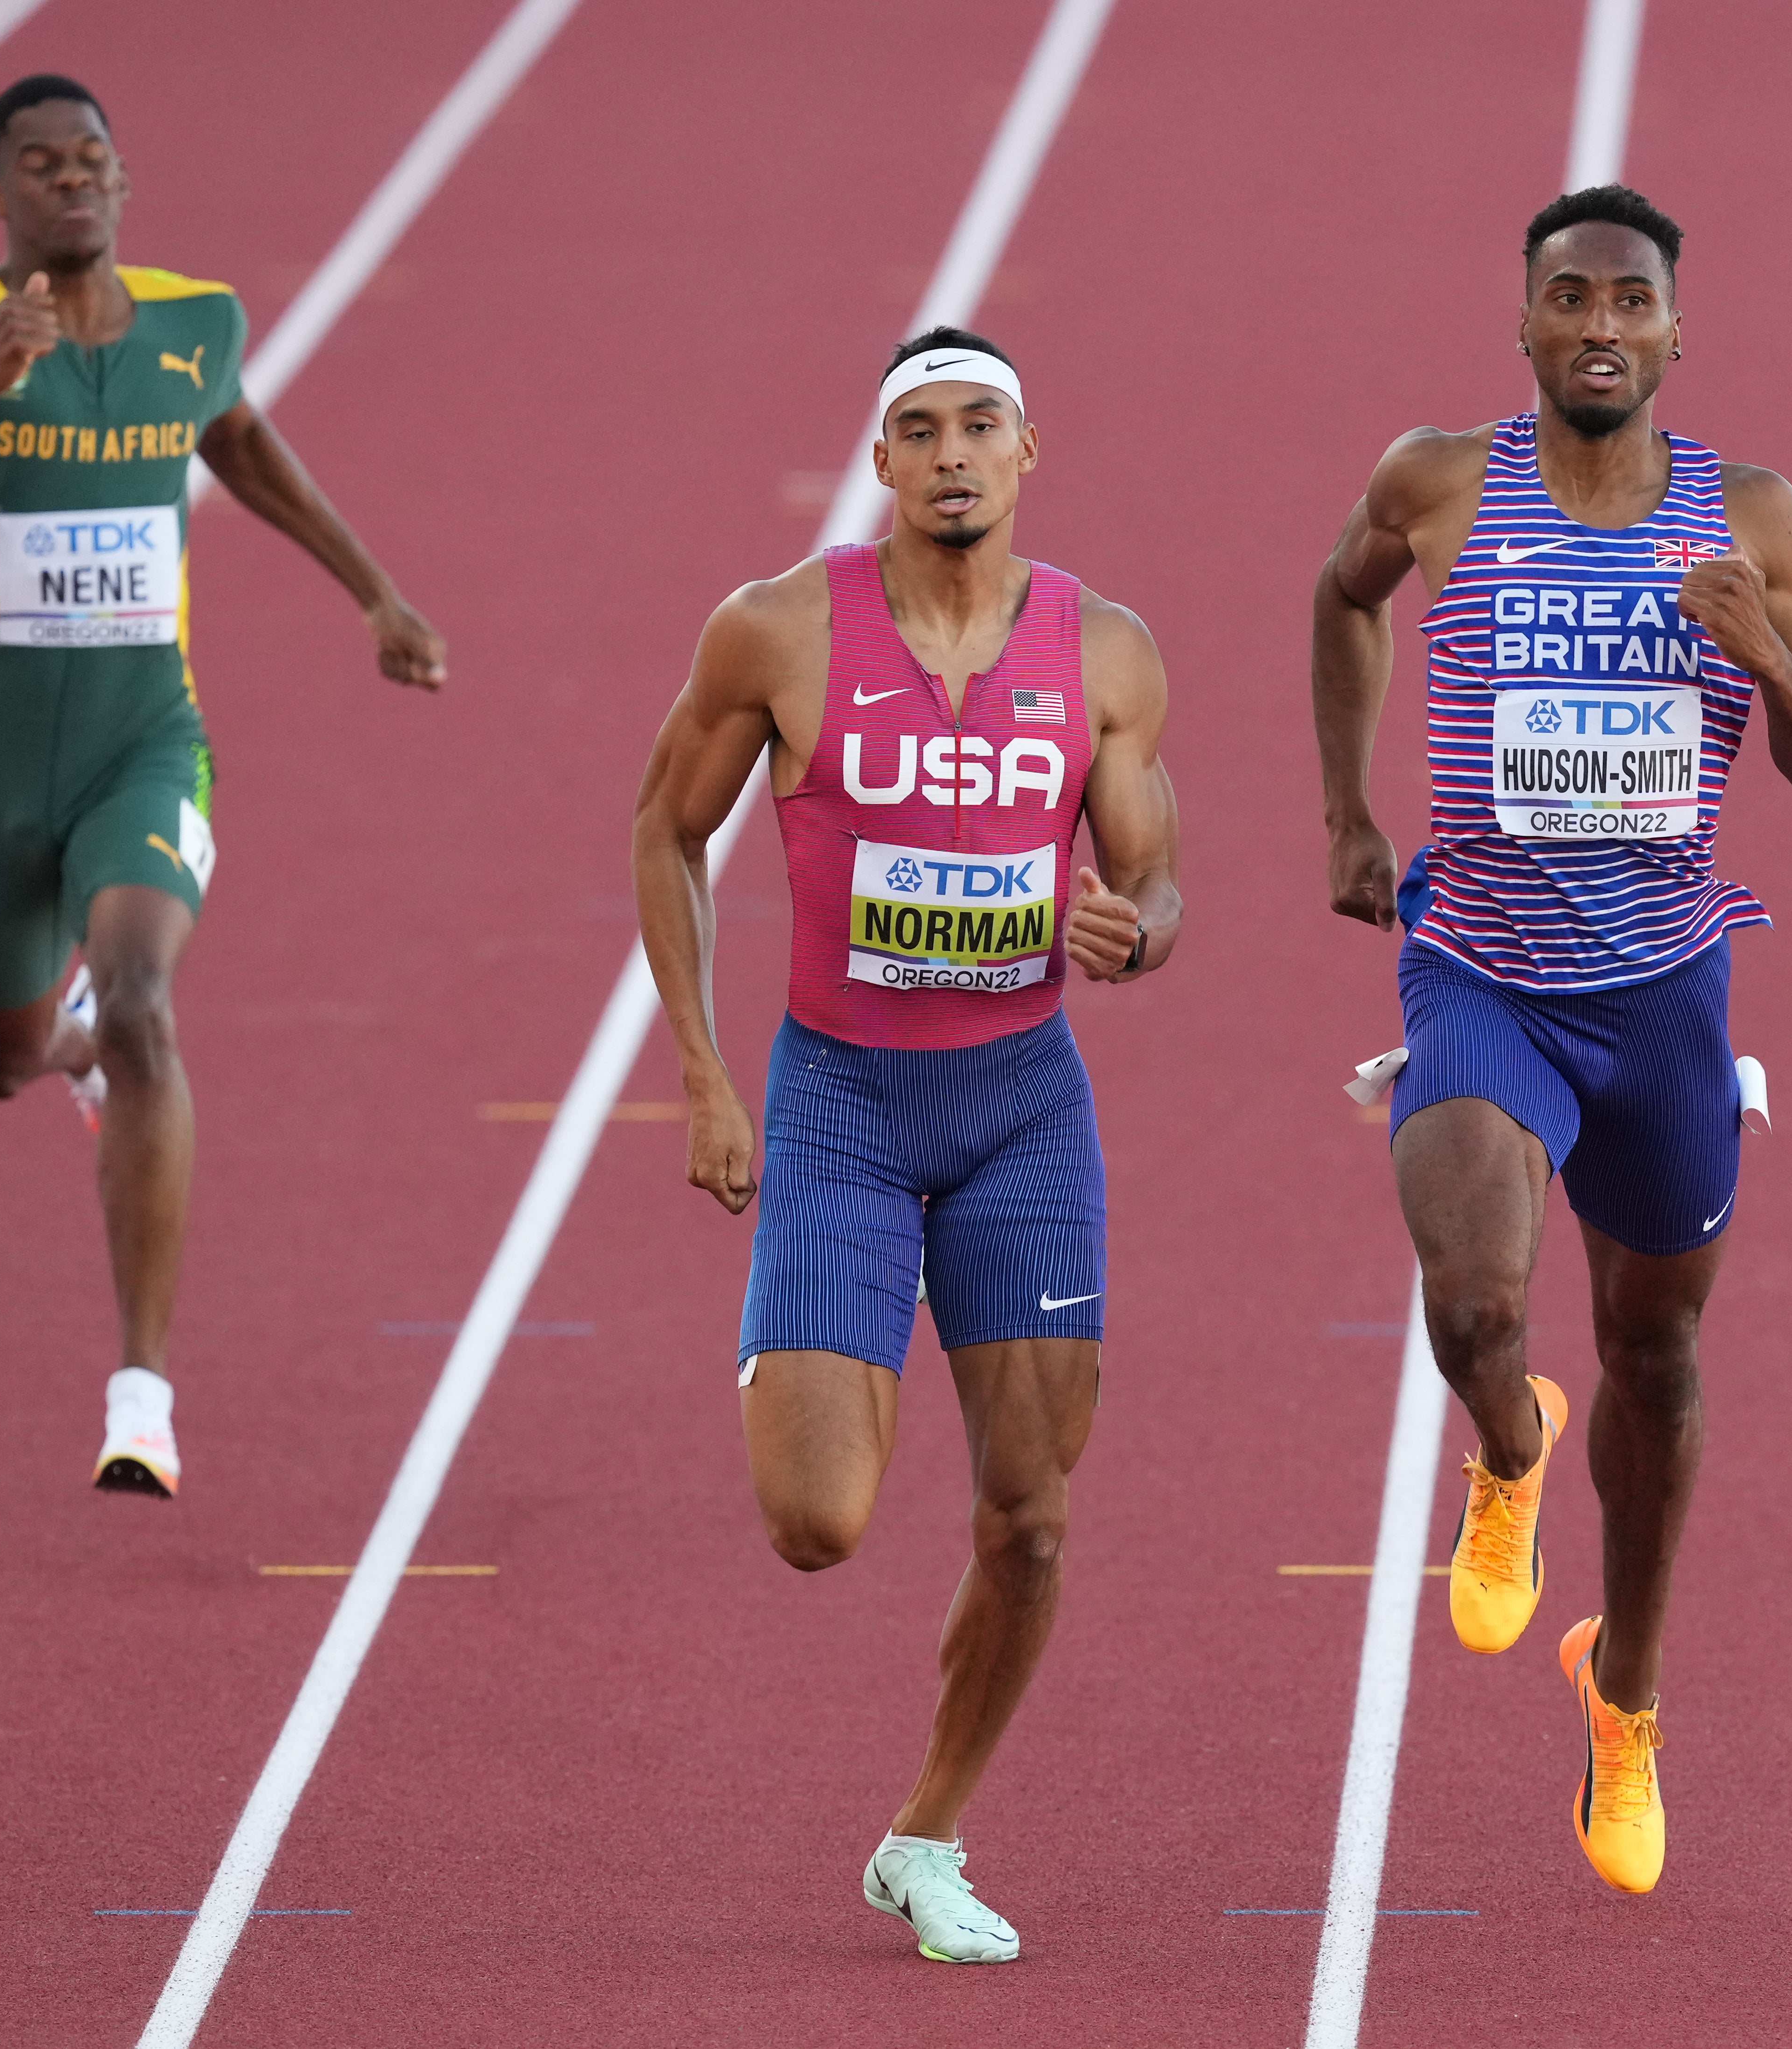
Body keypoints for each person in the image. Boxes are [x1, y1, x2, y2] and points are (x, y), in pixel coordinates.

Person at [1309, 184, 1792, 1893]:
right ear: (1530, 328)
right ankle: (1507, 1452)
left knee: (1663, 1360)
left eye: (1634, 301)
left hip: (1664, 999)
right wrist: (1346, 810)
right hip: (1478, 970)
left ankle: (1621, 1698)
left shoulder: (1751, 515)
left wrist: (1762, 642)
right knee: (1479, 1303)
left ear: (1677, 336)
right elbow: (1343, 599)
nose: (1604, 326)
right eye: (1573, 299)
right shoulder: (1441, 482)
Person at [630, 328, 1181, 1962]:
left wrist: (1131, 932)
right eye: (920, 430)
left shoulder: (1111, 655)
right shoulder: (780, 631)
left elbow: (1158, 886)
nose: (952, 455)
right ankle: (797, 1328)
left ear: (1029, 454)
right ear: (881, 461)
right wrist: (703, 1072)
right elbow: (666, 827)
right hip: (842, 1108)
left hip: (1022, 1109)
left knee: (1032, 1514)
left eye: (981, 427)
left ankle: (925, 1834)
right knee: (819, 1522)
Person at [0, 75, 446, 1498]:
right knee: (1, 1062)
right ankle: (64, 1048)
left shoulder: (195, 322)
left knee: (147, 1001)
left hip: (143, 743)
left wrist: (378, 595)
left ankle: (143, 1393)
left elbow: (241, 444)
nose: (76, 184)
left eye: (96, 159)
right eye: (42, 168)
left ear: (124, 177)